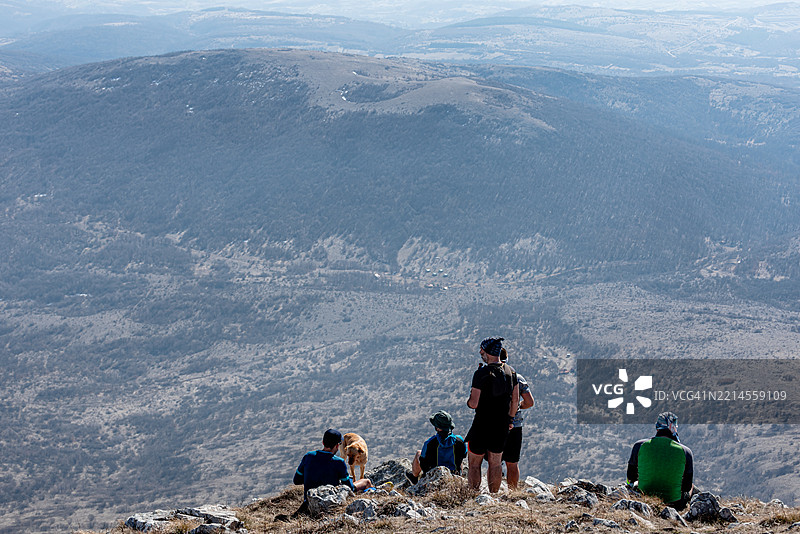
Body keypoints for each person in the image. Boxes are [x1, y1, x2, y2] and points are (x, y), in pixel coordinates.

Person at [465, 337, 519, 492]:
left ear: (486, 352)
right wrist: (510, 419)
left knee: (474, 462)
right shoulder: (511, 372)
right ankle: (493, 495)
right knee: (495, 462)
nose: (480, 353)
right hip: (501, 424)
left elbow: (473, 403)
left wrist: (469, 400)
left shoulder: (481, 374)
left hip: (481, 423)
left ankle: (474, 494)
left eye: (482, 350)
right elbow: (515, 401)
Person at [291, 429, 372, 517]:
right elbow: (349, 487)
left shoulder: (308, 456)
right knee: (366, 481)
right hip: (330, 505)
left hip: (309, 503)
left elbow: (297, 480)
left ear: (323, 442)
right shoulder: (339, 462)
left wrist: (313, 477)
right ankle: (373, 493)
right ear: (337, 446)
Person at [627, 412, 695, 510]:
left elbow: (630, 477)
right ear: (673, 428)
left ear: (657, 427)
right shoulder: (686, 451)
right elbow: (687, 487)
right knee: (692, 486)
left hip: (643, 498)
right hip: (674, 503)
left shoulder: (639, 445)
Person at [499, 348, 534, 490]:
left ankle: (493, 491)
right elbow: (530, 402)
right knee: (512, 462)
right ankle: (512, 492)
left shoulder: (488, 376)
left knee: (495, 462)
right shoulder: (517, 378)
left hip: (495, 424)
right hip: (515, 423)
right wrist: (518, 406)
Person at [409, 410, 468, 483]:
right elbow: (464, 455)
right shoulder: (460, 440)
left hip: (434, 476)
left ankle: (414, 477)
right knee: (459, 459)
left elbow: (423, 462)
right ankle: (459, 476)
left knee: (419, 453)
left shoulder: (430, 443)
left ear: (437, 428)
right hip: (453, 474)